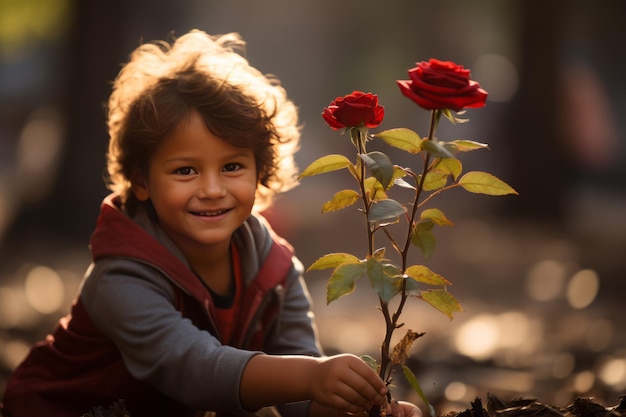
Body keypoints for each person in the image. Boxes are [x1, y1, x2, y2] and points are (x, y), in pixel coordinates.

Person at [0, 30, 421, 417]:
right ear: (143, 180)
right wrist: (312, 375)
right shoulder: (121, 278)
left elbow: (300, 399)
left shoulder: (274, 270)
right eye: (185, 171)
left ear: (260, 171)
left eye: (233, 166)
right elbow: (193, 368)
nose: (212, 188)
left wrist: (360, 406)